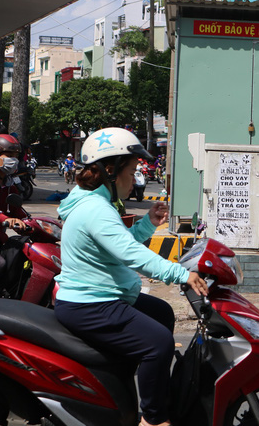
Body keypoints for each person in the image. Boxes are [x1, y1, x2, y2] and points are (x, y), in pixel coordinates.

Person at [53, 127, 208, 426]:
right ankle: (152, 419)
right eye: (133, 170)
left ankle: (129, 384)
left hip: (101, 297)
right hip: (90, 304)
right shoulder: (95, 210)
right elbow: (131, 255)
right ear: (110, 171)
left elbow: (120, 243)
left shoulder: (96, 203)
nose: (137, 178)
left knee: (161, 313)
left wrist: (149, 223)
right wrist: (181, 273)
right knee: (159, 343)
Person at [0, 134, 28, 296]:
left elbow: (18, 210)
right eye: (8, 156)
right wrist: (5, 220)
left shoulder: (9, 183)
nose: (13, 160)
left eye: (15, 157)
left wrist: (33, 223)